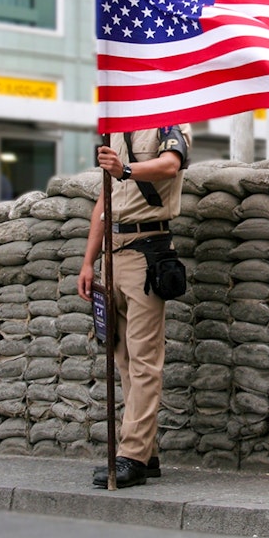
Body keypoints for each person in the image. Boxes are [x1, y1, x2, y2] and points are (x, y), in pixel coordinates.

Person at [78, 125, 191, 489]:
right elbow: (104, 200)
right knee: (123, 358)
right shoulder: (116, 132)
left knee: (143, 359)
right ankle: (146, 451)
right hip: (114, 252)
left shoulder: (170, 123)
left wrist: (124, 170)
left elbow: (171, 165)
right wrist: (88, 261)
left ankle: (131, 456)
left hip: (148, 248)